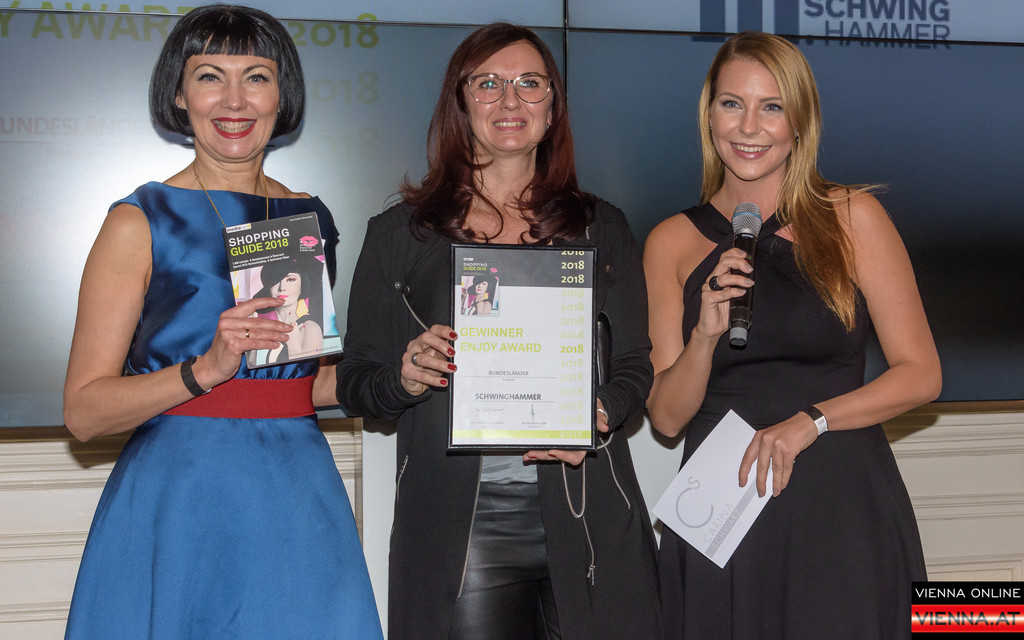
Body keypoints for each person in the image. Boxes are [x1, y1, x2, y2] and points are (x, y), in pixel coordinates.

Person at [61, 5, 382, 638]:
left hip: (298, 493)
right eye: (210, 76)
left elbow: (306, 380)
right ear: (179, 95)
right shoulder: (139, 220)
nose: (235, 100)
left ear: (281, 95)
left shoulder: (310, 217)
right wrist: (204, 370)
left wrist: (399, 373)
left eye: (256, 77)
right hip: (182, 496)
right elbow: (84, 412)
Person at [336, 22, 661, 640]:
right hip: (461, 528)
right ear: (460, 104)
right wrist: (404, 378)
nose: (510, 100)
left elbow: (634, 366)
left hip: (586, 508)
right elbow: (355, 380)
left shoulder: (602, 228)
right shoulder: (401, 235)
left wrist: (599, 412)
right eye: (487, 83)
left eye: (529, 83)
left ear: (552, 107)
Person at [645, 31, 941, 640]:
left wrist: (812, 421)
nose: (749, 126)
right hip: (722, 518)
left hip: (839, 505)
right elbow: (667, 419)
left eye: (772, 106)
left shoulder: (852, 216)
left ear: (800, 121)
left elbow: (922, 374)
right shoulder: (670, 242)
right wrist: (704, 335)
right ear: (709, 115)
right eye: (732, 104)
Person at [252, 255, 326, 364]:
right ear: (268, 289)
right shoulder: (264, 331)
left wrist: (293, 345)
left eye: (290, 280)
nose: (282, 287)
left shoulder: (309, 328)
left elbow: (304, 368)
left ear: (302, 285)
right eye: (275, 281)